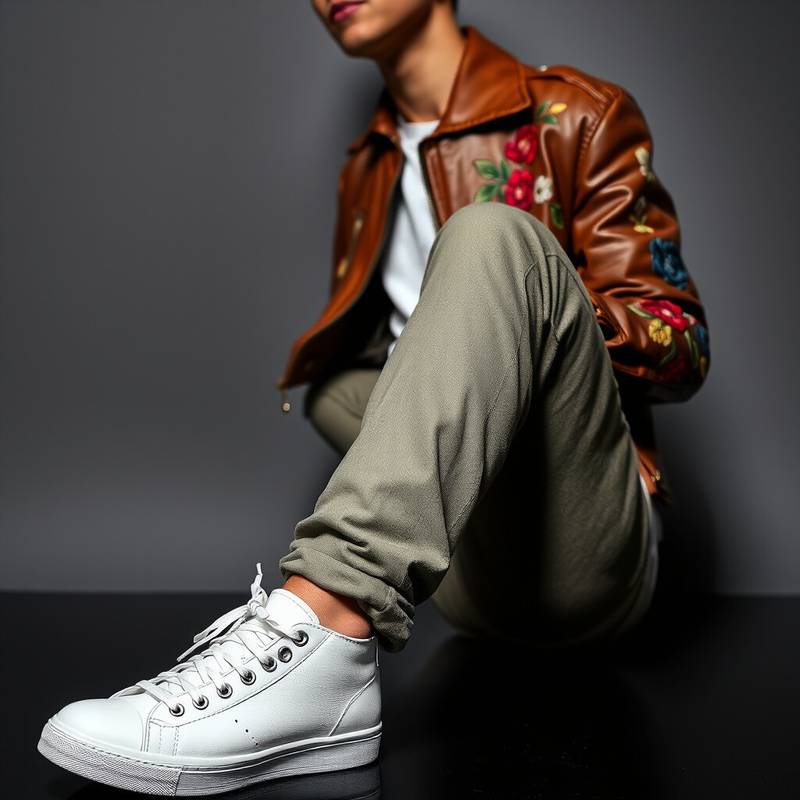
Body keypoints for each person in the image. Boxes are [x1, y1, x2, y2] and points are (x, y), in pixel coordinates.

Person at [37, 0, 710, 795]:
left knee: (492, 236)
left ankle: (330, 620)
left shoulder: (577, 115)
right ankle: (340, 613)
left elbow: (682, 347)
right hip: (471, 578)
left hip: (586, 565)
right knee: (331, 387)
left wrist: (531, 311)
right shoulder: (371, 161)